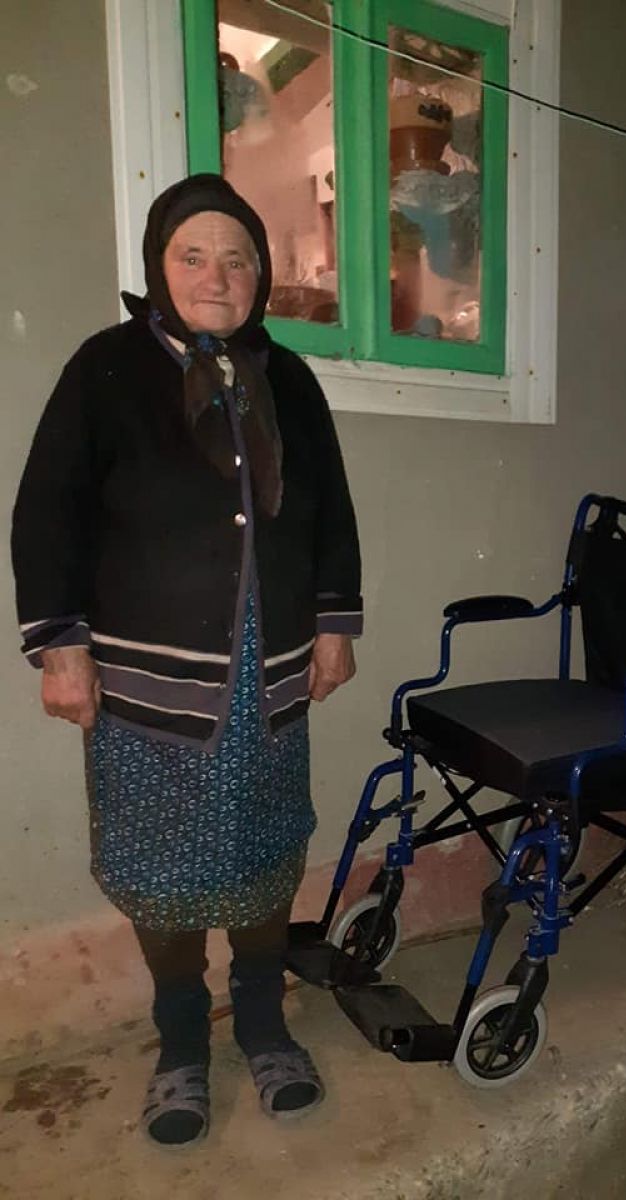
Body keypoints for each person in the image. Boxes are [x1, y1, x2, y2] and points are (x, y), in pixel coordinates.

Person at [11, 174, 362, 1146]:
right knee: (158, 866)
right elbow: (47, 513)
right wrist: (60, 648)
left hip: (267, 675)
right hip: (145, 684)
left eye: (238, 259)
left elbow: (330, 513)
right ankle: (179, 1044)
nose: (218, 276)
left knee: (264, 854)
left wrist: (334, 625)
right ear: (160, 267)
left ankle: (262, 1025)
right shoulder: (107, 368)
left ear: (262, 274)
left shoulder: (289, 381)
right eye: (194, 256)